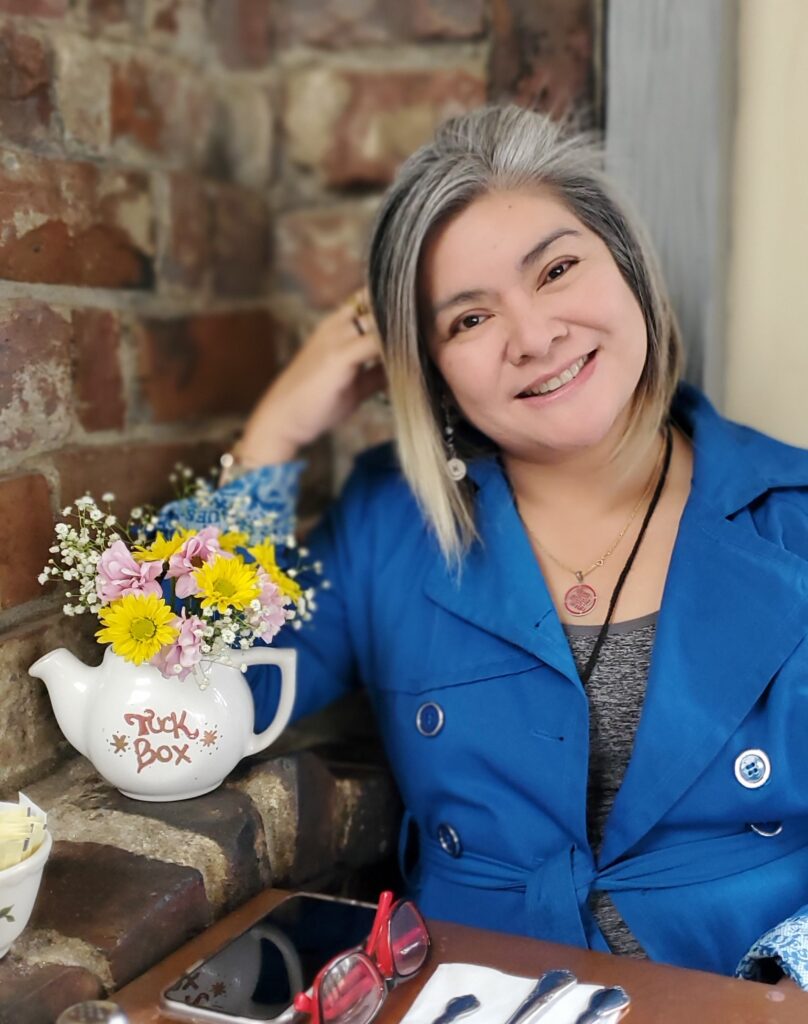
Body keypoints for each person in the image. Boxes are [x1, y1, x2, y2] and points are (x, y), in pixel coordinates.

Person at [161, 106, 808, 987]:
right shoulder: (392, 525)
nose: (534, 338)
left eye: (558, 269)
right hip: (477, 997)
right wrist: (276, 431)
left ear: (628, 265)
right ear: (430, 374)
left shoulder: (793, 516)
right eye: (469, 320)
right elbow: (190, 696)